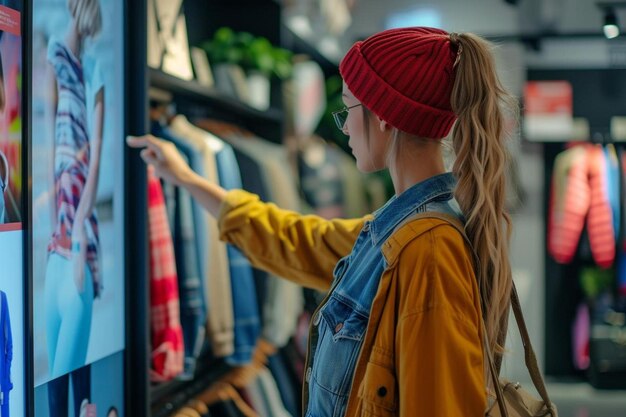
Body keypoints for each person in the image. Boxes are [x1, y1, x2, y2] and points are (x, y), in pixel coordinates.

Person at [128, 27, 516, 416]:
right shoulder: (394, 232)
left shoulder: (428, 251)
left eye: (349, 108)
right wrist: (187, 179)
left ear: (382, 116)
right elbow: (298, 240)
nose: (344, 126)